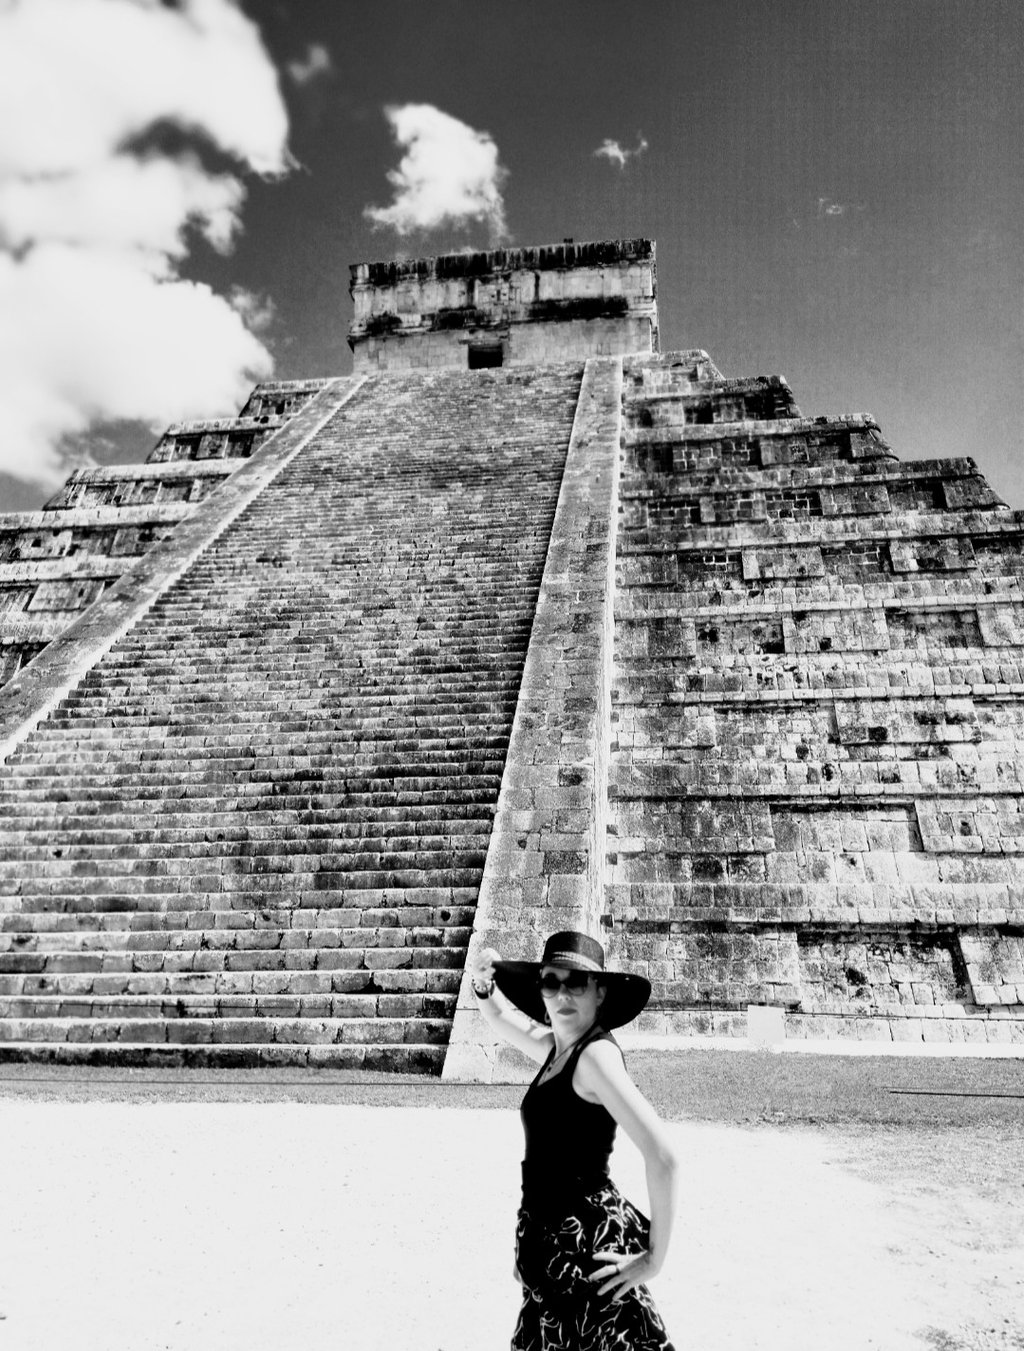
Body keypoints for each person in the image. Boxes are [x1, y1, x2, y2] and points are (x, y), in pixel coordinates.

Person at [471, 929, 678, 1351]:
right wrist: (482, 983)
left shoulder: (595, 1057)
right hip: (551, 1245)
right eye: (551, 982)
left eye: (577, 982)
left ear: (600, 992)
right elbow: (501, 1019)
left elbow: (663, 1156)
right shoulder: (560, 1048)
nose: (562, 994)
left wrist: (653, 1260)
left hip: (583, 1248)